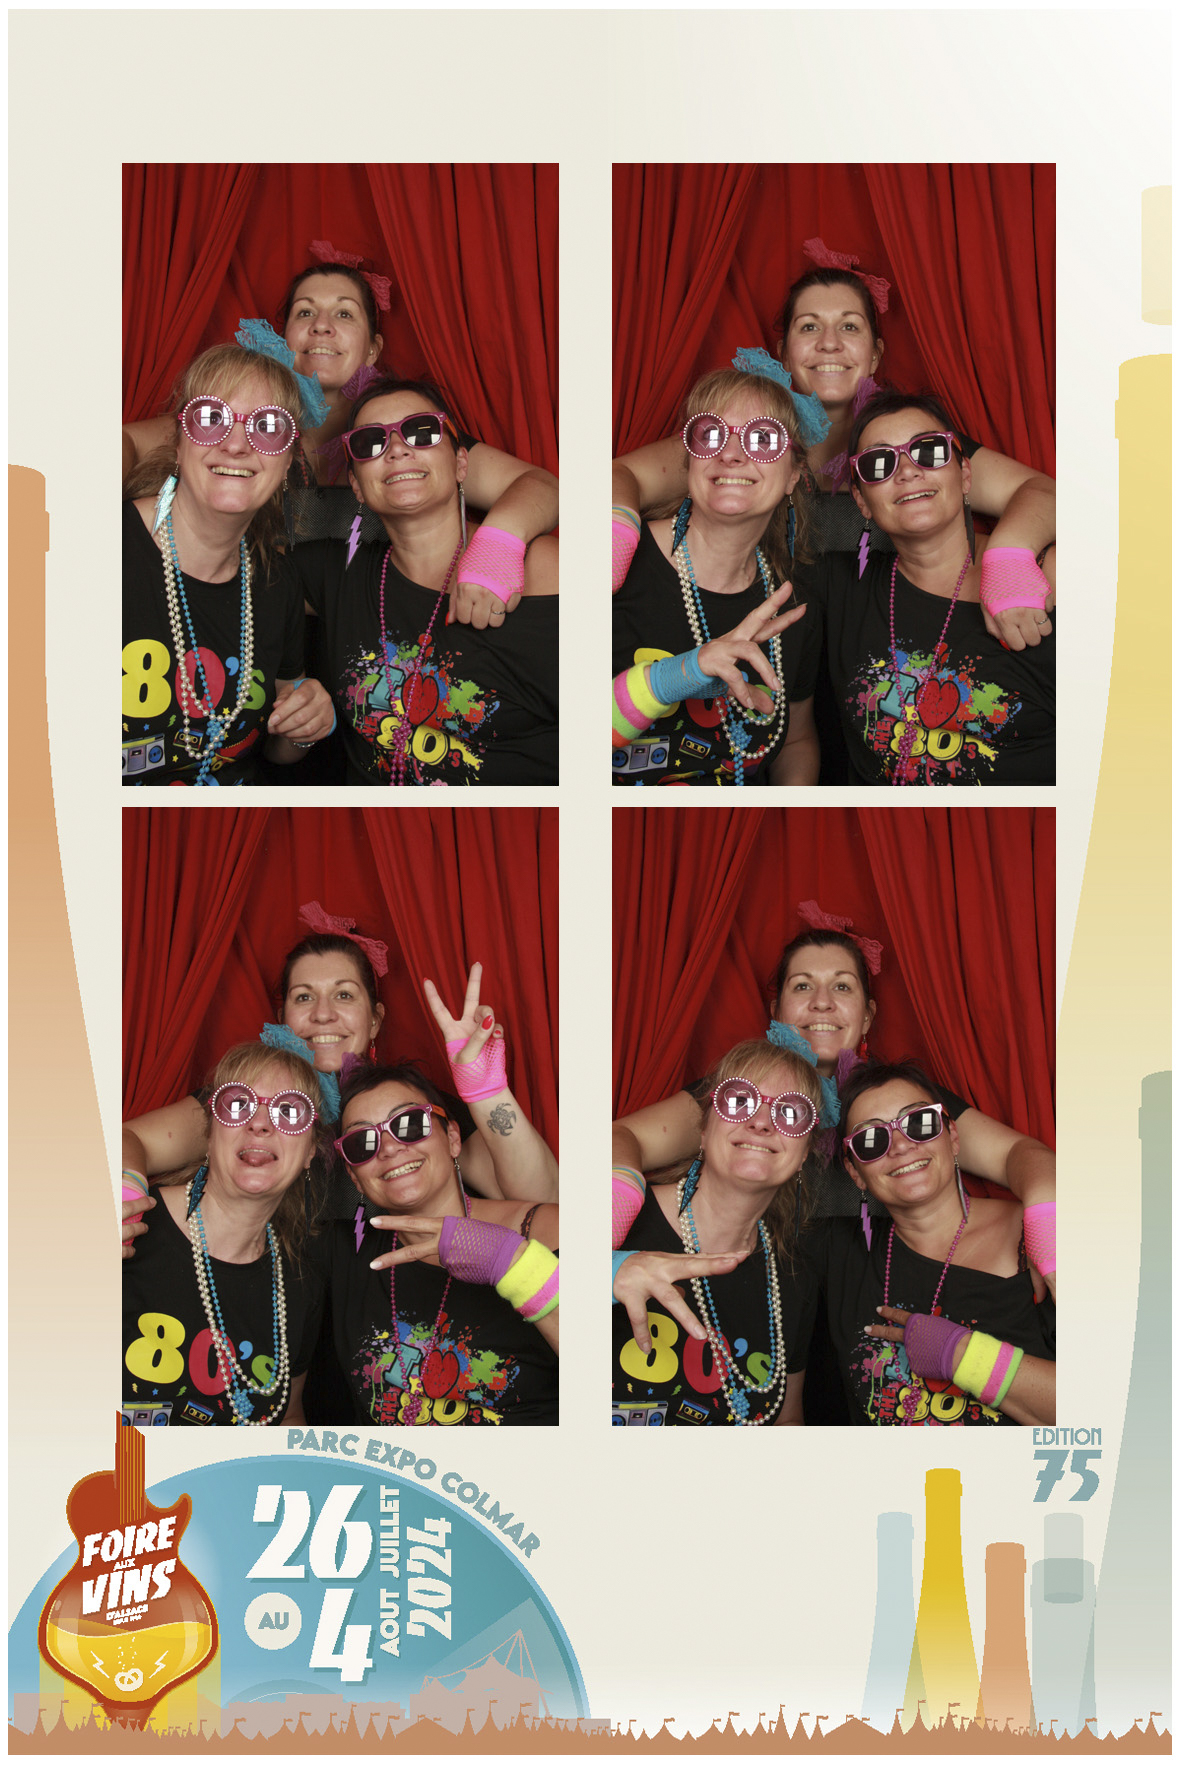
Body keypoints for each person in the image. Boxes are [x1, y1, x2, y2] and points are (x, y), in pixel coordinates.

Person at [613, 252, 1056, 654]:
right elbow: (621, 476)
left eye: (849, 326)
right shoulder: (739, 442)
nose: (829, 343)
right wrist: (614, 533)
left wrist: (1010, 555)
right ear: (783, 353)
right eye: (809, 326)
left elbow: (1043, 492)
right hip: (767, 660)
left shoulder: (916, 445)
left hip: (890, 662)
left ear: (876, 354)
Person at [123, 258, 558, 629]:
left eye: (345, 314)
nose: (322, 326)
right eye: (305, 313)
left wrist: (498, 544)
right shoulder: (236, 424)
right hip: (251, 638)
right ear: (283, 341)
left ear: (373, 349)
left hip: (376, 647)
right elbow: (125, 441)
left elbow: (541, 485)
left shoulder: (409, 435)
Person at [121, 912, 557, 1254]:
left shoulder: (416, 1111)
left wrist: (487, 1093)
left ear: (375, 1019)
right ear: (283, 1019)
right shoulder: (241, 1103)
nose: (323, 1014)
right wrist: (122, 1197)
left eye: (344, 994)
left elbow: (546, 1201)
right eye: (304, 997)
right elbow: (129, 1139)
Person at [292, 377, 558, 786]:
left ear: (461, 464)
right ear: (356, 485)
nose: (397, 449)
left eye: (421, 431)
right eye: (369, 442)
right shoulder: (333, 570)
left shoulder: (543, 568)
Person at [803, 391, 1055, 786]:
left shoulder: (1048, 577)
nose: (906, 472)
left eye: (929, 451)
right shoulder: (835, 585)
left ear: (965, 475)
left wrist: (1010, 554)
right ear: (861, 500)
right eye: (878, 463)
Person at [122, 344, 336, 785]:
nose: (237, 444)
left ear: (288, 462)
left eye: (268, 426)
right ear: (178, 442)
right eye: (210, 418)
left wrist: (305, 725)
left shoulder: (278, 583)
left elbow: (277, 750)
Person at [802, 1061, 1055, 1426]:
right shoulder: (833, 1249)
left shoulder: (1041, 1235)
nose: (901, 1146)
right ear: (855, 1172)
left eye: (919, 1122)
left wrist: (962, 1355)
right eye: (871, 1140)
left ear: (953, 1137)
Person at [611, 366, 822, 786]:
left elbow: (796, 742)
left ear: (793, 476)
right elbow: (550, 742)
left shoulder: (794, 603)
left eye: (763, 439)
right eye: (710, 434)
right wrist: (683, 673)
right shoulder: (616, 562)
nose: (731, 454)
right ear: (689, 461)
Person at [322, 1060, 558, 1425]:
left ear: (452, 1139)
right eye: (361, 1142)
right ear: (354, 1178)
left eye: (409, 1124)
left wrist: (512, 1263)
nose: (388, 1149)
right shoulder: (343, 1253)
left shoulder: (543, 1228)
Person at [611, 1040, 822, 1426]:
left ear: (804, 1153)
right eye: (739, 1101)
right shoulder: (620, 1215)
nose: (761, 1123)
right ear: (704, 1131)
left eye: (790, 1112)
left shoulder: (796, 1275)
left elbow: (787, 1421)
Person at [121, 1043, 326, 1426]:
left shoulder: (302, 1285)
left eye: (289, 1111)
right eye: (238, 1105)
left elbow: (288, 1418)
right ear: (209, 1135)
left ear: (310, 1152)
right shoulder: (127, 1223)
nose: (260, 1124)